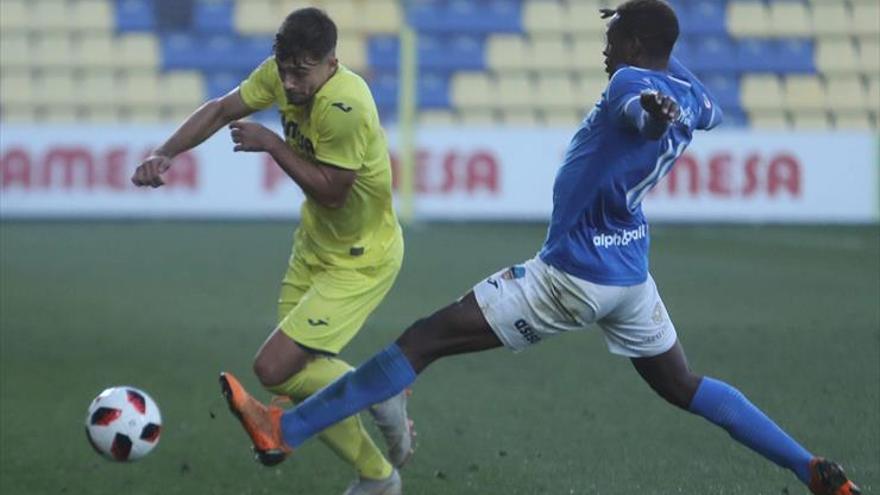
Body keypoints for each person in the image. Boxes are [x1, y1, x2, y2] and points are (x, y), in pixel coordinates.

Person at [217, 1, 860, 494]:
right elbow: (685, 101)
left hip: (570, 277)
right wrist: (665, 87)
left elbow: (634, 106)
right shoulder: (693, 99)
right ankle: (808, 468)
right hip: (630, 273)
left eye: (614, 38)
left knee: (422, 341)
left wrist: (648, 102)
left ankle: (287, 431)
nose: (605, 50)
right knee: (682, 385)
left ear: (636, 46)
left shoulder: (629, 87)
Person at [131, 8, 414, 495]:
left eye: (300, 72)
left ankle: (384, 389)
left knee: (272, 368)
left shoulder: (346, 106)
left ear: (330, 63)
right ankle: (376, 476)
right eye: (283, 69)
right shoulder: (282, 75)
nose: (288, 82)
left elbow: (332, 192)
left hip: (360, 258)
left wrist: (272, 144)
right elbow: (222, 109)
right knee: (292, 377)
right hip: (314, 245)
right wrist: (166, 152)